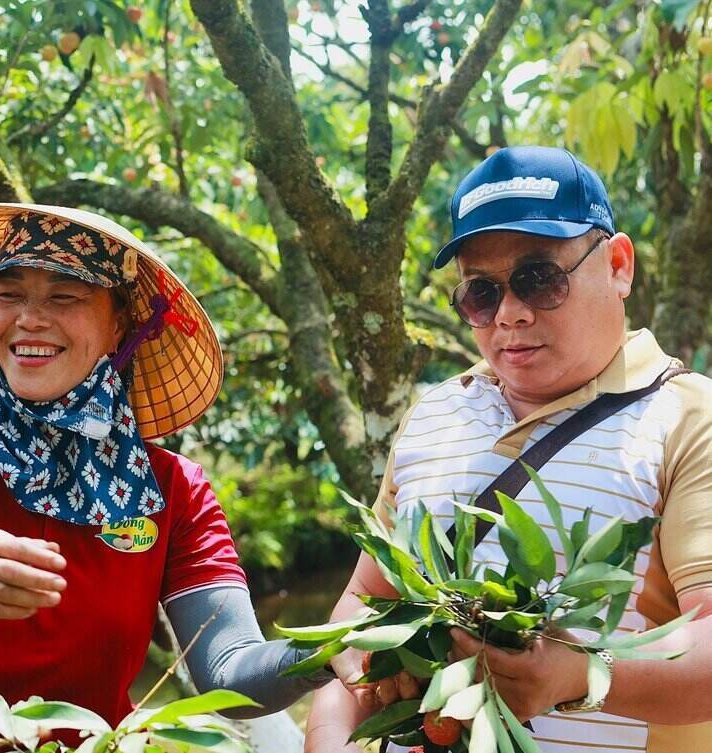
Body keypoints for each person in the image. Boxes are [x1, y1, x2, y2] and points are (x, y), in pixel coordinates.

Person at [0, 204, 330, 751]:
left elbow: (228, 668)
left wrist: (331, 652)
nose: (30, 318)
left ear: (118, 327)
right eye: (9, 294)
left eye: (65, 296)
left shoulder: (172, 489)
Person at [304, 146, 712, 753]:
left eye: (539, 279)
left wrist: (582, 675)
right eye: (481, 292)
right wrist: (333, 732)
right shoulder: (436, 412)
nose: (510, 315)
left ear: (618, 265)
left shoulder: (689, 418)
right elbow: (364, 609)